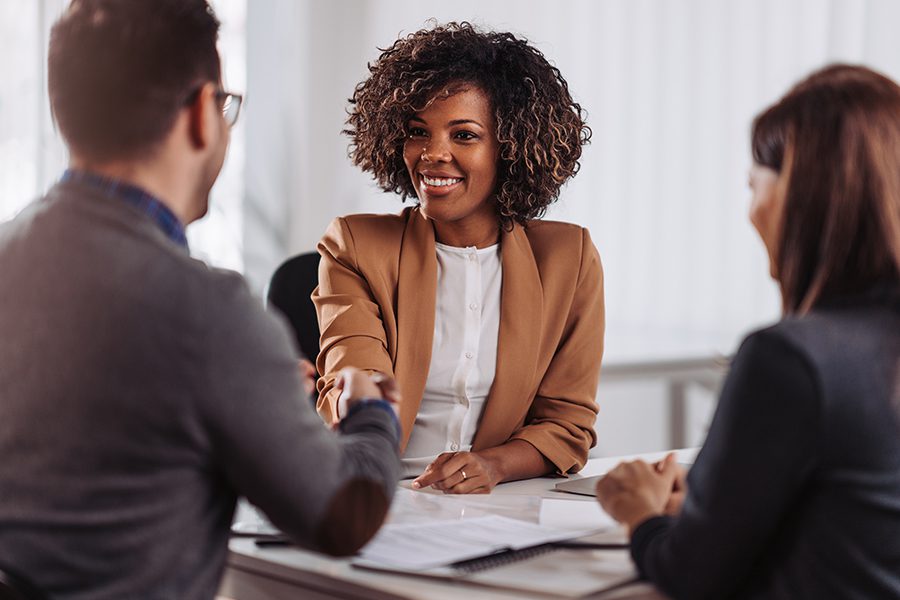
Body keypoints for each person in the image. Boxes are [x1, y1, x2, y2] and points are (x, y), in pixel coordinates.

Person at [0, 1, 401, 598]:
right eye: (225, 106)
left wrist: (252, 393)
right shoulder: (209, 311)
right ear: (199, 115)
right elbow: (344, 516)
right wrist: (371, 413)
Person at [596, 64, 900, 599]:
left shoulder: (790, 358)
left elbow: (690, 573)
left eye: (753, 185)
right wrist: (723, 491)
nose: (750, 210)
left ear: (801, 194)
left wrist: (639, 512)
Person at [313, 22, 603, 493]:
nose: (432, 154)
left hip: (499, 504)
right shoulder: (355, 246)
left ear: (509, 147)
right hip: (376, 494)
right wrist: (354, 398)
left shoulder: (568, 259)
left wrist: (492, 465)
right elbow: (356, 376)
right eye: (417, 131)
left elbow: (566, 424)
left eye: (463, 135)